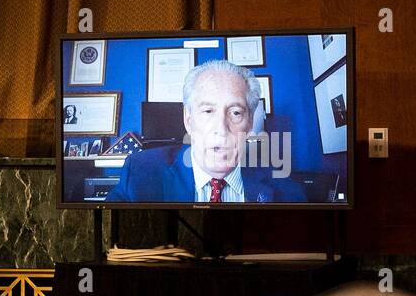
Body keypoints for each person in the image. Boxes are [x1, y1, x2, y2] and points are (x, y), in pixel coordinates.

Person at [106, 59, 306, 203]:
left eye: (235, 113)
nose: (221, 128)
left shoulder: (286, 189)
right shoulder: (141, 173)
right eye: (208, 111)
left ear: (250, 123)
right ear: (188, 119)